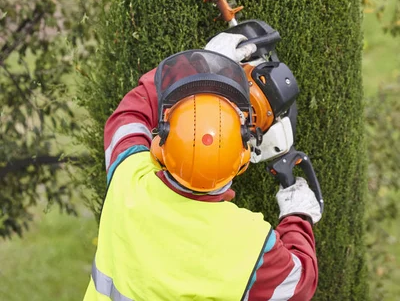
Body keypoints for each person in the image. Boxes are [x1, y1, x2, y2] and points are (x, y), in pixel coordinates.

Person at [84, 33, 321, 301]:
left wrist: (201, 66)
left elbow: (130, 114)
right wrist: (297, 215)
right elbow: (299, 281)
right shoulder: (248, 243)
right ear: (243, 157)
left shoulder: (129, 182)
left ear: (161, 142)